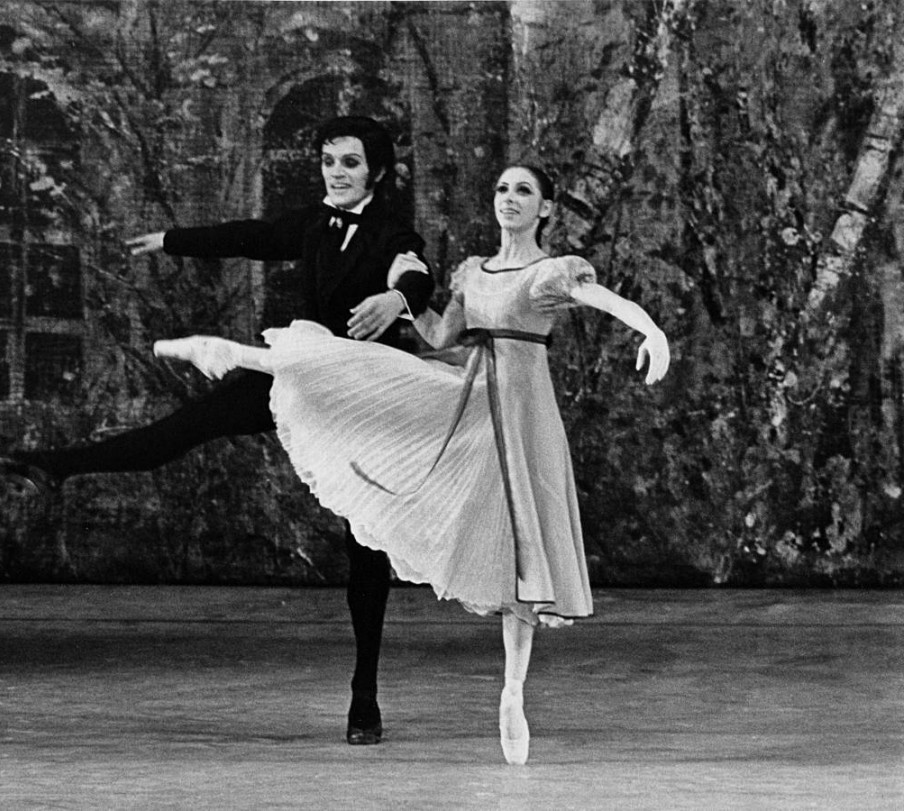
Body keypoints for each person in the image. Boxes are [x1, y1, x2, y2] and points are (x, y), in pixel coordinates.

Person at [153, 164, 671, 765]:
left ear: (546, 210)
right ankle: (237, 353)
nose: (509, 198)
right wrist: (400, 294)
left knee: (526, 549)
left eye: (523, 191)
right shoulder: (474, 272)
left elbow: (603, 299)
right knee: (359, 366)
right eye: (502, 188)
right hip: (469, 401)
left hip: (524, 416)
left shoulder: (549, 274)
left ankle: (512, 691)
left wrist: (650, 328)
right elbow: (439, 333)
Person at [0, 116, 435, 746]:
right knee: (184, 427)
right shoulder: (312, 222)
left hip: (360, 396)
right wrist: (172, 239)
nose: (336, 171)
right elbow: (248, 237)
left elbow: (417, 273)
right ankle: (52, 465)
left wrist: (398, 299)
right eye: (329, 160)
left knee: (365, 542)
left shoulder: (391, 229)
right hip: (297, 374)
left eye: (351, 162)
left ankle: (365, 697)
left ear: (377, 172)